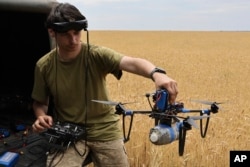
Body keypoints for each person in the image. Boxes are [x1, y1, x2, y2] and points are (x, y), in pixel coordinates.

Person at [31, 2, 178, 167]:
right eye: (66, 34)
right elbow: (40, 102)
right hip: (69, 132)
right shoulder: (44, 66)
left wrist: (156, 73)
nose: (73, 40)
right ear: (52, 32)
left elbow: (131, 62)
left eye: (77, 32)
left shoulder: (96, 55)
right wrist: (41, 116)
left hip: (105, 130)